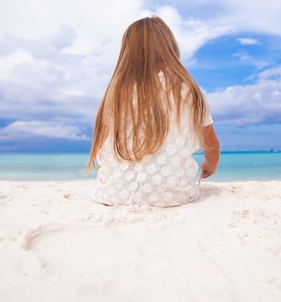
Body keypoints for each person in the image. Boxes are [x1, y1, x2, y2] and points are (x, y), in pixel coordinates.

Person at [85, 16, 220, 207]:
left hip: (112, 194)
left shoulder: (116, 91)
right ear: (170, 47)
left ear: (127, 52)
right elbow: (212, 145)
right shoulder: (188, 90)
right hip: (174, 197)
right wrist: (210, 165)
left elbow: (104, 141)